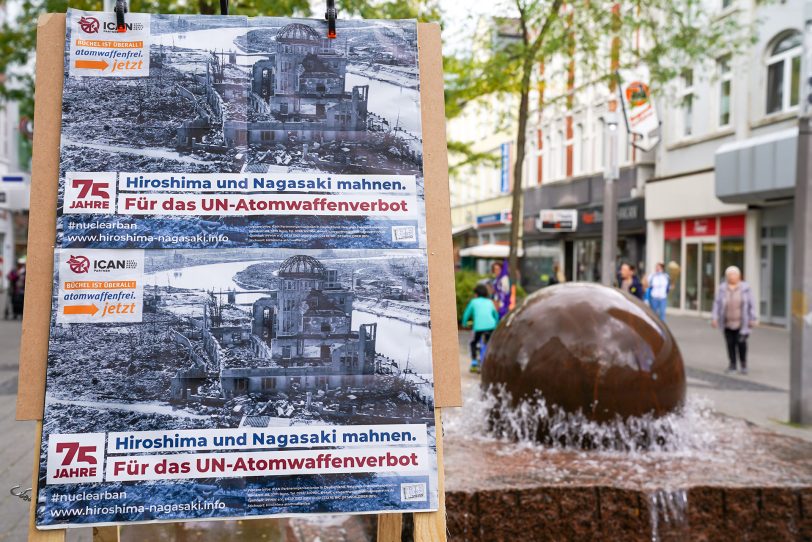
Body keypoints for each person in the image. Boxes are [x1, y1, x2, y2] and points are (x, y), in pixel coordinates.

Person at [712, 266, 757, 375]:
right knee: (730, 344)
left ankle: (743, 364)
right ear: (727, 277)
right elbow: (716, 304)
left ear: (739, 276)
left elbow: (752, 304)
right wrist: (714, 318)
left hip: (742, 322)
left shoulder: (745, 289)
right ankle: (732, 364)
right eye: (730, 275)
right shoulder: (722, 289)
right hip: (727, 321)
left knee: (741, 343)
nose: (732, 277)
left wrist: (753, 318)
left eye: (734, 274)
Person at [461, 283, 500, 372]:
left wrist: (464, 323)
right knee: (489, 343)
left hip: (478, 327)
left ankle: (474, 363)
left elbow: (466, 314)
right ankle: (489, 362)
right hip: (491, 326)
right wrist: (497, 324)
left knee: (473, 342)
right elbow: (495, 315)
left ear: (476, 294)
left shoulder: (473, 302)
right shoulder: (490, 302)